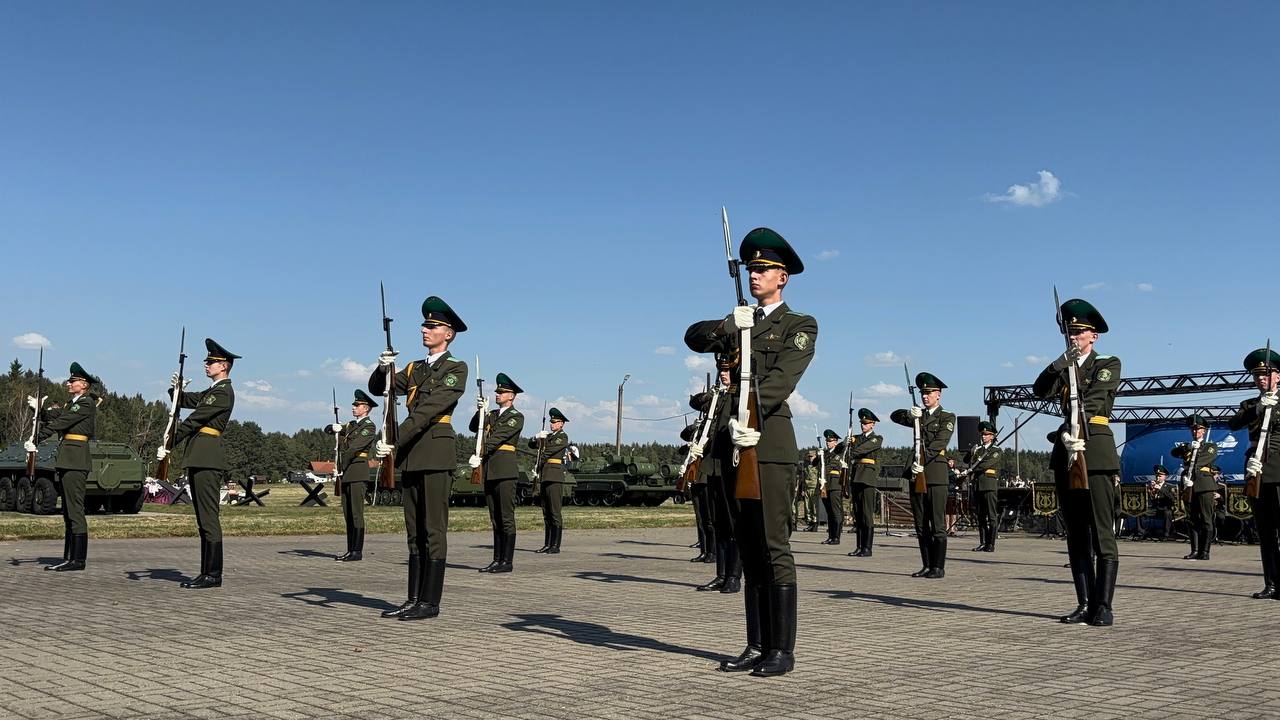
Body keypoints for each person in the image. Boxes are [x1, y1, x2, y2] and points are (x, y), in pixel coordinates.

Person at [684, 226, 816, 677]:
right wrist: (728, 325)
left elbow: (782, 379)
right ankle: (756, 643)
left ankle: (782, 650)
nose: (754, 275)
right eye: (750, 269)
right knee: (747, 544)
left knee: (773, 546)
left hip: (767, 442)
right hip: (728, 445)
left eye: (762, 269)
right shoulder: (740, 321)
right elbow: (692, 337)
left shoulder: (799, 325)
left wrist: (750, 414)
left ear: (784, 277)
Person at [369, 296, 467, 620]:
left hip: (435, 453)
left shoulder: (455, 369)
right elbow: (378, 388)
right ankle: (412, 598)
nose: (426, 329)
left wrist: (393, 440)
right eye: (425, 324)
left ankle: (430, 602)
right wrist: (382, 367)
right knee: (413, 529)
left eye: (433, 325)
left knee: (433, 529)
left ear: (448, 333)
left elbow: (428, 410)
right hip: (411, 456)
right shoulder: (412, 368)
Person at [1033, 298, 1121, 626]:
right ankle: (1083, 603)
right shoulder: (1064, 366)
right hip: (1067, 453)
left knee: (1101, 533)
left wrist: (1074, 371)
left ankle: (1104, 605)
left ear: (1093, 335)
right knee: (1076, 534)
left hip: (1095, 451)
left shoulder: (1107, 362)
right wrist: (1059, 364)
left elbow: (1096, 398)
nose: (1073, 335)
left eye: (1079, 331)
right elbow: (1039, 389)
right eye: (1069, 330)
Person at [156, 339, 238, 590]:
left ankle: (213, 574)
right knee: (203, 517)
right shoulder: (212, 391)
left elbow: (194, 419)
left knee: (209, 517)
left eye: (211, 362)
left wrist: (169, 442)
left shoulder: (223, 392)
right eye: (207, 361)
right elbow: (186, 401)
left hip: (207, 458)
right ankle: (207, 572)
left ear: (223, 366)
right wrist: (176, 391)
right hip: (199, 456)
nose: (206, 364)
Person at [26, 363, 99, 572]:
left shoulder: (85, 403)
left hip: (76, 460)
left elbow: (62, 422)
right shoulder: (71, 404)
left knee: (75, 509)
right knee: (68, 509)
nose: (69, 383)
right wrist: (38, 410)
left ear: (83, 385)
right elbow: (53, 417)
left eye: (73, 381)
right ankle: (69, 557)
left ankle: (78, 560)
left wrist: (37, 438)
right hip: (67, 459)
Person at [1227, 347, 1280, 600]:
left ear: (1278, 376)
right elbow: (1234, 423)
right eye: (1257, 375)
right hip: (1258, 471)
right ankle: (1271, 583)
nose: (1261, 378)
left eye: (1267, 374)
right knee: (1266, 531)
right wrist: (1258, 408)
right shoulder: (1249, 404)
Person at [892, 372, 955, 579]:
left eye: (929, 392)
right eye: (923, 393)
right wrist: (911, 415)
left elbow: (939, 443)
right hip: (917, 475)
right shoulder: (919, 417)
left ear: (939, 395)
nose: (925, 396)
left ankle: (938, 567)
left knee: (937, 524)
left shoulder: (947, 417)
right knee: (920, 524)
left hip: (935, 475)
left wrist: (921, 461)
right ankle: (926, 565)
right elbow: (895, 416)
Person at [689, 353, 743, 594]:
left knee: (734, 524)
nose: (723, 373)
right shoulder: (716, 398)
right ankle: (721, 574)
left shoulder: (739, 397)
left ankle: (734, 575)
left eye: (728, 370)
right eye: (721, 370)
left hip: (731, 465)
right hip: (712, 466)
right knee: (720, 523)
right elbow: (696, 402)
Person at [469, 373, 525, 574]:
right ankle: (496, 559)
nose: (498, 394)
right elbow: (473, 427)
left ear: (512, 396)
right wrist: (480, 412)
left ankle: (507, 561)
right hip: (490, 470)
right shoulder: (491, 414)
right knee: (495, 518)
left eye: (502, 392)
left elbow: (499, 437)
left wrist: (480, 451)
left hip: (505, 470)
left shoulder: (516, 417)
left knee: (506, 517)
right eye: (497, 391)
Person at [324, 389, 379, 561]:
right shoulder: (351, 425)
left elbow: (354, 448)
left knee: (356, 513)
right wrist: (333, 428)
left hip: (357, 470)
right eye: (354, 405)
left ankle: (357, 550)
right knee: (348, 513)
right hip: (347, 472)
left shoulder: (368, 426)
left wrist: (340, 464)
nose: (354, 407)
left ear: (366, 408)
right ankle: (350, 550)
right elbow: (327, 430)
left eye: (358, 405)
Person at [1171, 414, 1218, 560]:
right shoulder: (1188, 446)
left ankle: (1205, 552)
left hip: (1204, 485)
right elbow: (1173, 453)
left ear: (1204, 431)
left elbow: (1203, 460)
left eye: (1198, 429)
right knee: (1191, 519)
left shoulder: (1210, 447)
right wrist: (1189, 447)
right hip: (1189, 485)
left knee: (1206, 519)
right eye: (1193, 429)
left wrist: (1194, 453)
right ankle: (1195, 550)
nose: (1195, 432)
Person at [530, 407, 570, 554]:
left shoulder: (562, 436)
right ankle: (547, 544)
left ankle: (555, 545)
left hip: (554, 476)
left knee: (554, 511)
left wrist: (542, 445)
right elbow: (532, 445)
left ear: (561, 424)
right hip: (546, 475)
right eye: (552, 422)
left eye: (555, 422)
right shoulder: (548, 436)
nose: (552, 424)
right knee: (546, 512)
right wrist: (536, 437)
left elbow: (549, 451)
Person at [845, 409, 882, 557]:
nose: (863, 425)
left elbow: (863, 449)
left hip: (867, 477)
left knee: (867, 514)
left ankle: (867, 547)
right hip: (856, 476)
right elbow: (841, 450)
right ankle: (859, 546)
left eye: (866, 423)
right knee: (858, 514)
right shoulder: (855, 438)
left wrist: (852, 447)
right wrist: (846, 442)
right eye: (862, 423)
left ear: (872, 424)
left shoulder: (876, 438)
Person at [965, 421, 1003, 552]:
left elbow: (986, 464)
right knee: (980, 516)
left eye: (986, 434)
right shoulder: (979, 450)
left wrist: (973, 468)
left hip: (989, 485)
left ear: (992, 436)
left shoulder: (996, 450)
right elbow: (967, 461)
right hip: (978, 485)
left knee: (991, 516)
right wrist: (971, 452)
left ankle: (991, 543)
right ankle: (982, 542)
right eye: (982, 434)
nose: (983, 437)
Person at [819, 429, 845, 545]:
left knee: (836, 511)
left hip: (835, 484)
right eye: (827, 441)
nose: (828, 443)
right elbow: (816, 464)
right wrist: (819, 456)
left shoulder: (839, 452)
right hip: (825, 485)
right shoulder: (825, 454)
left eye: (830, 441)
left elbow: (844, 445)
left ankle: (836, 537)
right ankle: (830, 536)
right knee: (829, 512)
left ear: (835, 442)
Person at [1146, 465, 1175, 540]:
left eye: (1160, 476)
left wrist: (1161, 488)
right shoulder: (1153, 485)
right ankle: (1141, 532)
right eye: (1156, 476)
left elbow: (1172, 498)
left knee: (1168, 513)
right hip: (1155, 509)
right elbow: (1151, 499)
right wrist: (1150, 490)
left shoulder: (1169, 486)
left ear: (1165, 477)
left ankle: (1166, 534)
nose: (1157, 478)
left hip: (1164, 508)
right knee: (1140, 511)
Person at [799, 450, 819, 531]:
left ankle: (815, 524)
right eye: (809, 457)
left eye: (812, 456)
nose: (810, 458)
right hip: (807, 488)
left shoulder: (818, 466)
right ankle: (810, 523)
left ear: (815, 456)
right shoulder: (806, 466)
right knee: (807, 507)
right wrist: (803, 489)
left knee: (814, 507)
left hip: (814, 488)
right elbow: (804, 478)